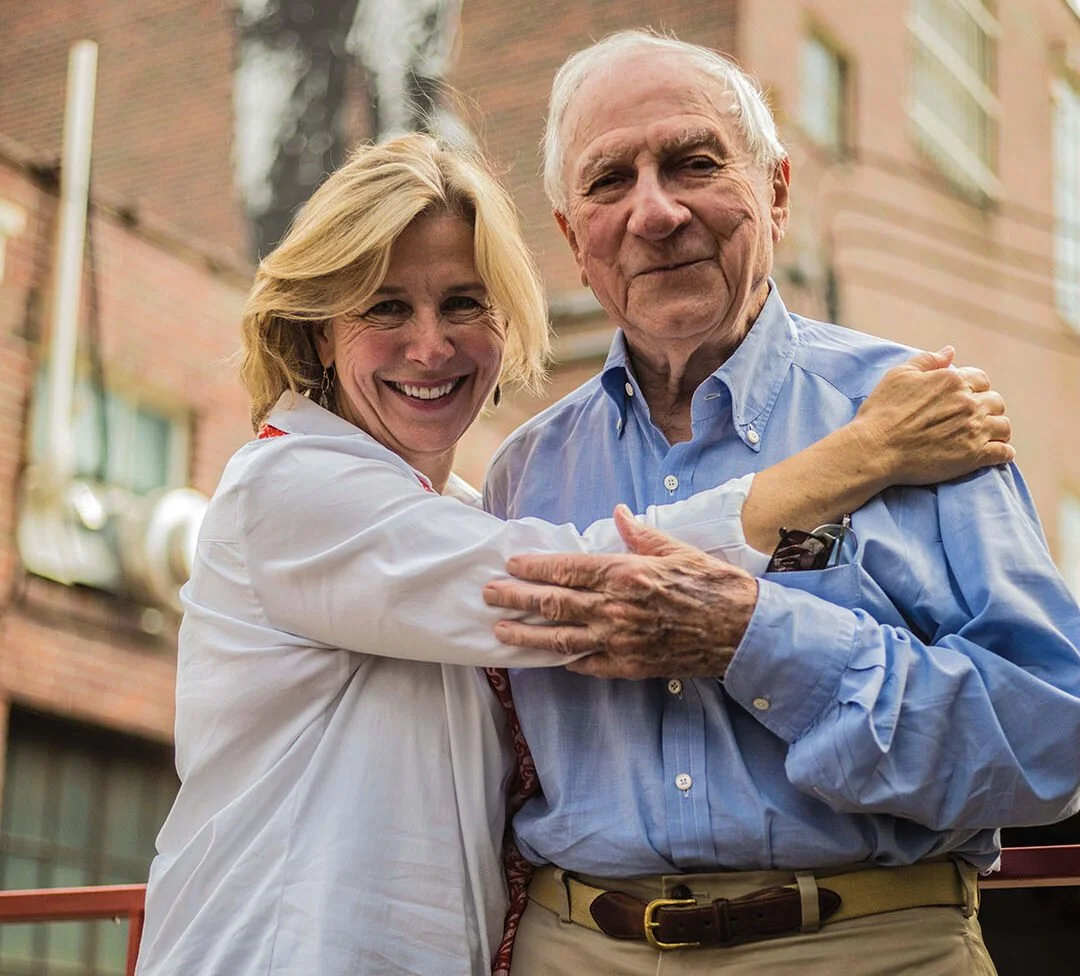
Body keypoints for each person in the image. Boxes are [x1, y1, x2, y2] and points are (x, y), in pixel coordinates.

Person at [134, 134, 1012, 976]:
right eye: (385, 307)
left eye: (465, 303)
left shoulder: (469, 511)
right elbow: (585, 587)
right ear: (319, 330)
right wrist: (864, 455)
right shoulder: (289, 487)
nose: (432, 345)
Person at [480, 30, 1080, 976]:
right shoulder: (522, 473)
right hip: (578, 950)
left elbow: (1053, 738)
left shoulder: (923, 412)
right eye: (610, 181)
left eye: (694, 162)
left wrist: (756, 639)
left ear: (777, 190)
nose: (656, 210)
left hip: (873, 948)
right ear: (571, 238)